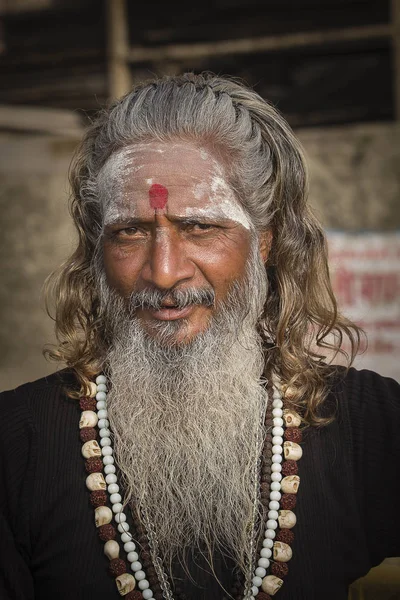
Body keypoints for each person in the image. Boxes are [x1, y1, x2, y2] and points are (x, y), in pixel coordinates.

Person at [0, 73, 399, 600]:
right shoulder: (16, 444)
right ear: (97, 251)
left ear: (263, 242)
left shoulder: (366, 423)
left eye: (200, 228)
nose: (163, 273)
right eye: (130, 232)